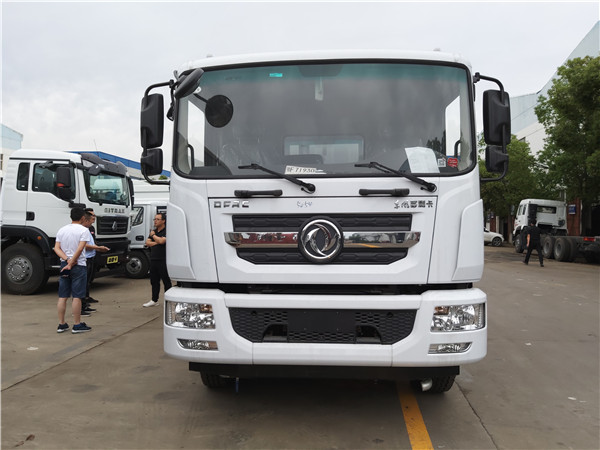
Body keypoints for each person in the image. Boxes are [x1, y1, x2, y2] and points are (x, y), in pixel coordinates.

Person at [54, 207, 92, 333]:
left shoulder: (62, 230)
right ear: (82, 218)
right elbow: (80, 248)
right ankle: (77, 324)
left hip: (64, 264)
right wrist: (72, 262)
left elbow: (57, 248)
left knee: (62, 296)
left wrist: (67, 260)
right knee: (77, 296)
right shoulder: (84, 230)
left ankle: (61, 324)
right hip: (78, 265)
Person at [82, 208, 109, 313]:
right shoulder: (82, 230)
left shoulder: (90, 228)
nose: (94, 218)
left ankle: (86, 299)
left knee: (88, 280)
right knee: (83, 282)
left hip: (91, 257)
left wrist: (97, 248)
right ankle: (82, 305)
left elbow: (92, 241)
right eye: (92, 216)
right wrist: (98, 248)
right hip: (85, 258)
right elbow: (83, 246)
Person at [143, 212, 172, 307]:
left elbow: (162, 241)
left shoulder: (166, 231)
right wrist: (157, 241)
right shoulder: (154, 231)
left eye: (157, 219)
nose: (155, 221)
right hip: (154, 259)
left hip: (163, 260)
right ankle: (154, 300)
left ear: (163, 221)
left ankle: (169, 300)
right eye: (154, 219)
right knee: (154, 281)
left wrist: (154, 237)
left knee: (166, 281)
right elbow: (147, 243)